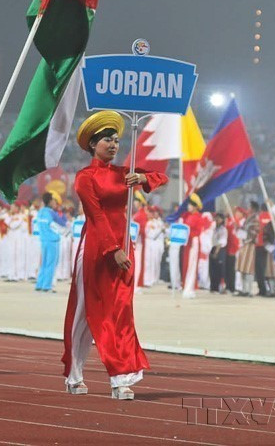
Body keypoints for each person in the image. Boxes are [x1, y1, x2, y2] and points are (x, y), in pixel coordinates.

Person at [63, 111, 167, 401]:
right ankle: (74, 375)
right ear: (92, 144)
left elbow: (162, 177)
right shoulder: (84, 178)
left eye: (116, 140)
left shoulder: (124, 173)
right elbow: (96, 216)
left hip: (123, 245)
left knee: (120, 310)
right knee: (86, 312)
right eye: (107, 140)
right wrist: (113, 249)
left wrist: (143, 177)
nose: (113, 144)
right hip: (97, 248)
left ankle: (121, 379)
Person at [35, 192, 67, 292]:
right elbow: (63, 222)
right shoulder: (51, 213)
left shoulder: (40, 212)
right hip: (52, 241)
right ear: (50, 201)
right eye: (53, 200)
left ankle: (39, 284)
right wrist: (61, 212)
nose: (54, 202)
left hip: (43, 240)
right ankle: (47, 286)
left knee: (43, 263)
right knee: (51, 264)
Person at [179, 194, 208, 298]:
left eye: (191, 205)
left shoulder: (198, 217)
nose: (188, 206)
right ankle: (186, 287)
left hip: (193, 242)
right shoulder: (189, 216)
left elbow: (197, 232)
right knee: (187, 265)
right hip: (188, 242)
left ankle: (189, 288)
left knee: (192, 266)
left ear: (195, 206)